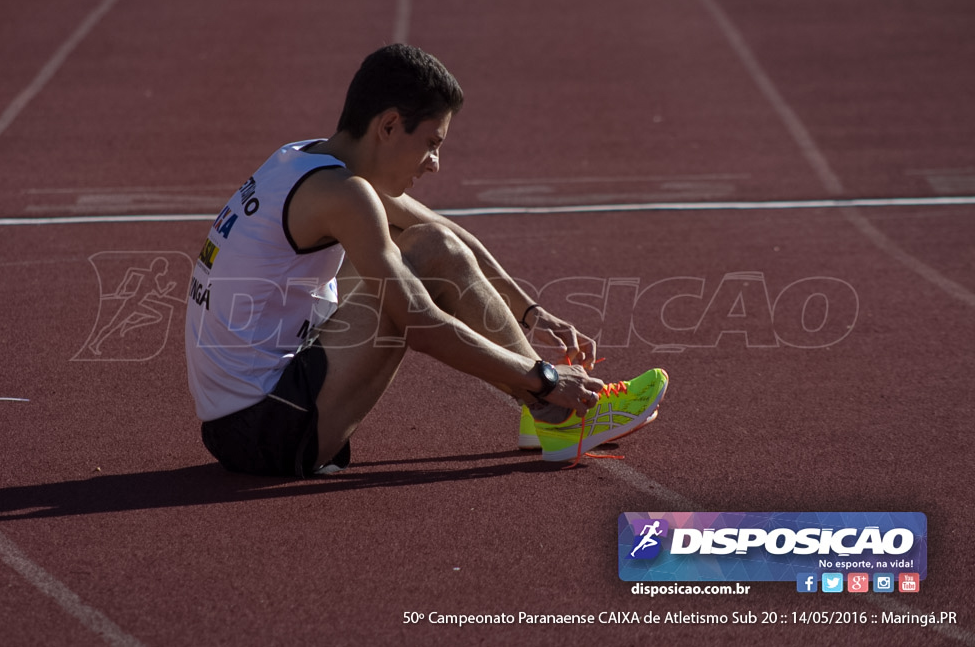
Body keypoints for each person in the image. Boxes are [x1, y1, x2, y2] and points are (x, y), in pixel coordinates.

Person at [184, 43, 669, 477]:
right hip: (266, 429)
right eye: (432, 144)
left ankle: (544, 412)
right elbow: (421, 324)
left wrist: (530, 310)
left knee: (431, 245)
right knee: (420, 272)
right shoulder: (345, 194)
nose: (435, 164)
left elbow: (451, 238)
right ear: (389, 125)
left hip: (240, 418)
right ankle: (558, 412)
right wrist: (542, 377)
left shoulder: (302, 157)